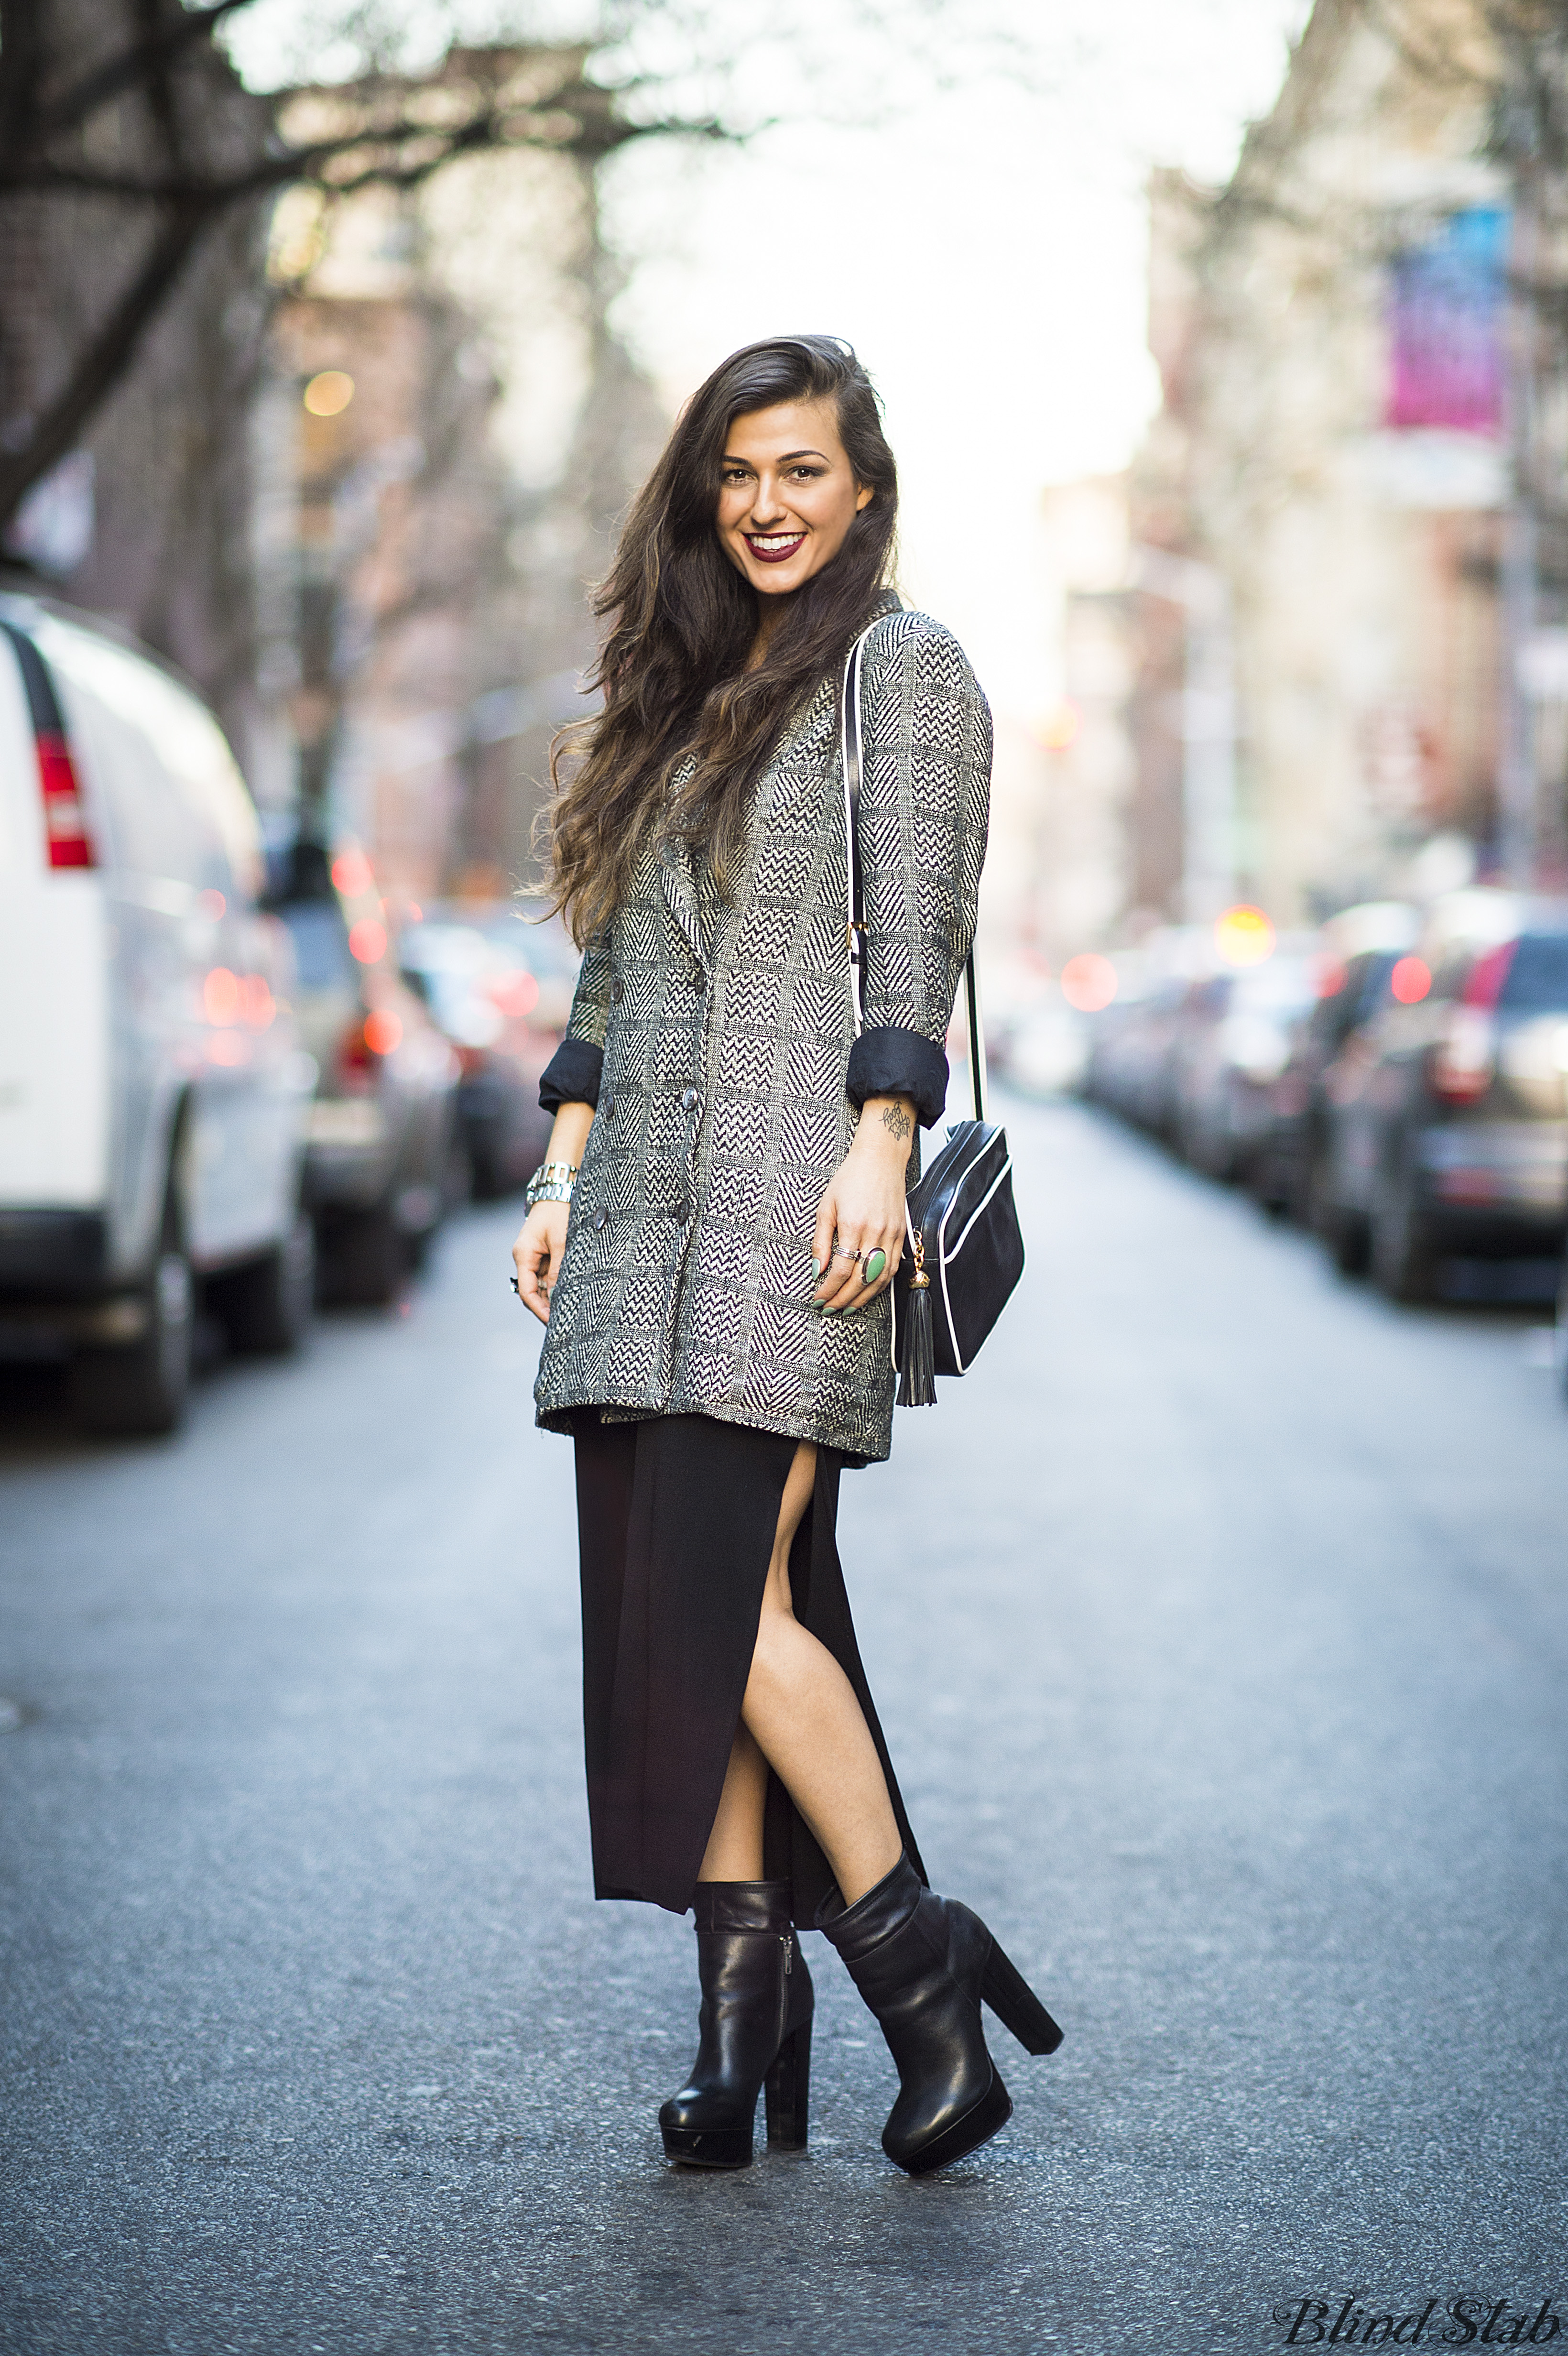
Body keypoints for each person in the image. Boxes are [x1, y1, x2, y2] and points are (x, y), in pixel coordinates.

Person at [512, 334, 1061, 2178]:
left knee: (725, 1615)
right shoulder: (683, 691)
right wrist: (560, 1171)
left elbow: (921, 925)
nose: (766, 506)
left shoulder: (901, 672)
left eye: (802, 472)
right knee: (694, 1627)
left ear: (868, 492)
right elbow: (608, 967)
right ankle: (744, 2028)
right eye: (739, 474)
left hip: (795, 1194)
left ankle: (923, 1973)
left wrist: (880, 1147)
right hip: (641, 1213)